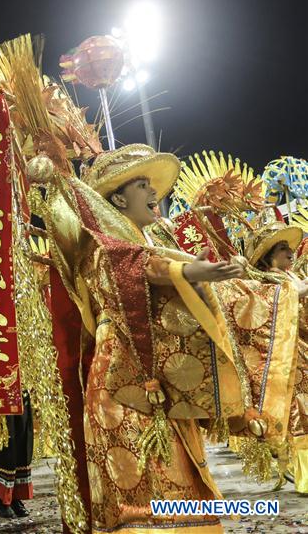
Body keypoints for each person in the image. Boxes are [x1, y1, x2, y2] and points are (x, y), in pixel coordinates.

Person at [37, 144, 259, 532]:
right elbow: (137, 268)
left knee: (182, 475)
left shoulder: (152, 242)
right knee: (139, 484)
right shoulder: (101, 248)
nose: (154, 192)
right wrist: (191, 271)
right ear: (118, 198)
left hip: (162, 377)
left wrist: (213, 274)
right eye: (142, 183)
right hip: (122, 377)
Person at [243, 221, 308, 492]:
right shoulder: (270, 280)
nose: (290, 253)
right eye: (282, 249)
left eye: (290, 248)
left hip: (302, 347)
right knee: (300, 413)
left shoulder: (289, 276)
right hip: (288, 354)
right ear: (269, 256)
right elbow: (288, 298)